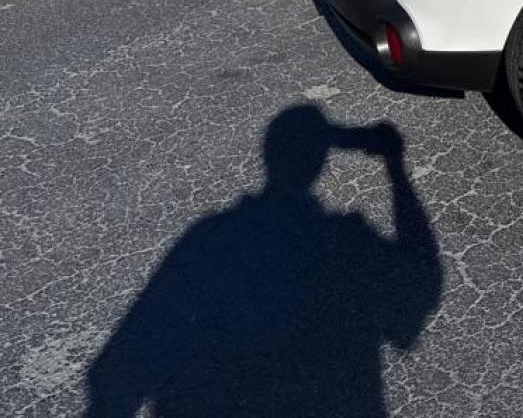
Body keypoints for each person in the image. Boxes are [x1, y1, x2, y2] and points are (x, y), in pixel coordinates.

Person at [86, 105, 441, 417]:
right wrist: (394, 166)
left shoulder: (210, 238)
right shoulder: (349, 241)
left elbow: (119, 365)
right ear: (320, 163)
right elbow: (420, 287)